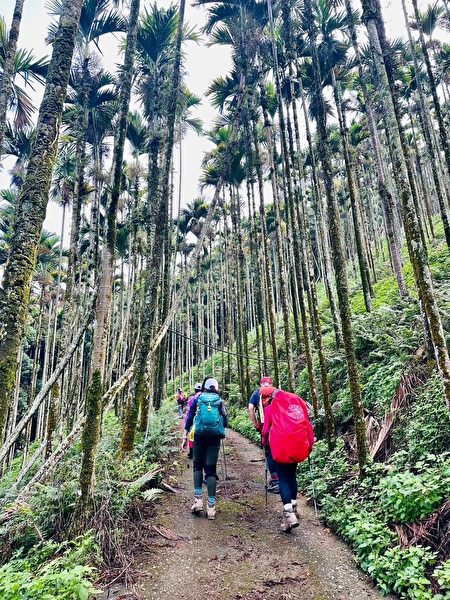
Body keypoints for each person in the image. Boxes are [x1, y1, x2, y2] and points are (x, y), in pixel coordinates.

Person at [261, 384, 314, 533]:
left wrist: (264, 443)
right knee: (292, 476)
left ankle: (289, 515)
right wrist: (310, 443)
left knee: (283, 478)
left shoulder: (271, 407)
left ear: (269, 397)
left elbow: (265, 431)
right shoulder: (296, 402)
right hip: (298, 444)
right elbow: (307, 424)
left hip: (280, 447)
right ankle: (294, 506)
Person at [182, 377, 227, 520]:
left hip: (199, 436)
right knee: (211, 470)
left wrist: (185, 435)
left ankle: (198, 501)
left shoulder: (198, 399)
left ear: (204, 387)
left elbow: (189, 418)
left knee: (197, 466)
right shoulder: (220, 401)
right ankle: (211, 508)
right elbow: (225, 422)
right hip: (214, 438)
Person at [248, 376, 279, 493]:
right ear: (271, 384)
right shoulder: (278, 392)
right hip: (280, 428)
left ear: (260, 385)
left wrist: (255, 423)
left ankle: (275, 480)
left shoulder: (257, 394)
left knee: (269, 452)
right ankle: (282, 479)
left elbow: (250, 408)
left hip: (265, 427)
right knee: (279, 452)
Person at [184, 383, 202, 459]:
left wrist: (186, 429)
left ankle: (191, 453)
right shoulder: (205, 397)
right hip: (205, 423)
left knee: (192, 436)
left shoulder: (193, 398)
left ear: (195, 390)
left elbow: (190, 412)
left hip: (195, 421)